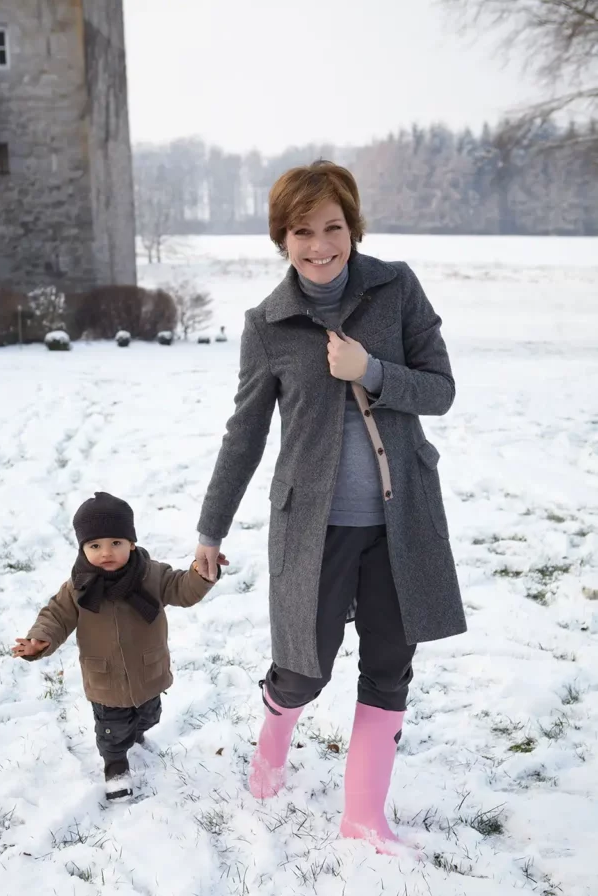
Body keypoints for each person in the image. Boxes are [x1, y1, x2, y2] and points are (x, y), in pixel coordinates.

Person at [195, 161, 466, 853]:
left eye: (333, 227)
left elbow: (439, 389)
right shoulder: (268, 325)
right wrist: (210, 530)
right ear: (281, 239)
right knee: (303, 670)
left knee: (388, 666)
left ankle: (363, 817)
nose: (320, 245)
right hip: (312, 530)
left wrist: (370, 371)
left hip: (400, 523)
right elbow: (244, 434)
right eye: (302, 232)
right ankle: (272, 740)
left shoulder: (396, 289)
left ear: (353, 227)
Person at [12, 492, 223, 801]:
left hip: (148, 672)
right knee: (112, 733)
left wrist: (200, 574)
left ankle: (137, 734)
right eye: (95, 546)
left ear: (132, 543)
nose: (106, 552)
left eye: (115, 543)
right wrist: (40, 639)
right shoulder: (79, 587)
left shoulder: (152, 575)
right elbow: (55, 616)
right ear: (83, 549)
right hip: (106, 679)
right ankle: (116, 768)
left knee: (149, 716)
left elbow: (182, 589)